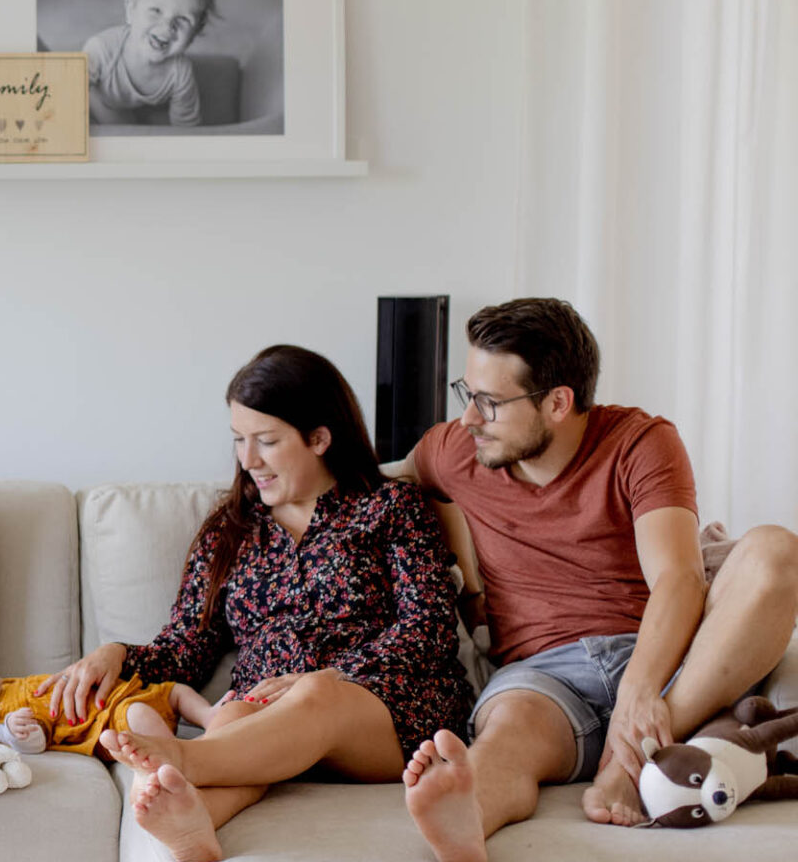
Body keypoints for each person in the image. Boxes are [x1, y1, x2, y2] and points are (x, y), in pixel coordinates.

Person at [389, 298, 798, 860]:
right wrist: (470, 591)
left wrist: (639, 692)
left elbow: (678, 580)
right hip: (543, 676)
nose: (468, 418)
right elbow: (377, 486)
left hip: (667, 665)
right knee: (506, 737)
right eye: (467, 392)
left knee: (779, 550)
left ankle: (630, 757)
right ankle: (467, 813)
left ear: (558, 402)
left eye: (489, 402)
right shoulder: (456, 451)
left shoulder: (640, 441)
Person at [44, 345, 473, 862]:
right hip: (264, 722)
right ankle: (194, 825)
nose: (248, 461)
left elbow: (428, 628)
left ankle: (184, 757)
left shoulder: (391, 510)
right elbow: (188, 648)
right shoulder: (230, 531)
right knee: (232, 717)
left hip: (382, 711)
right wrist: (116, 653)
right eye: (239, 441)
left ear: (319, 438)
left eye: (266, 441)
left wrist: (335, 674)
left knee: (315, 694)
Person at [0, 660, 213, 757]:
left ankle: (212, 718)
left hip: (129, 693)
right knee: (139, 716)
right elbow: (34, 742)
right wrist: (14, 733)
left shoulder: (6, 686)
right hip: (111, 721)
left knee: (176, 691)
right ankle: (181, 758)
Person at [82, 0, 214, 128]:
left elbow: (187, 127)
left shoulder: (180, 72)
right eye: (156, 11)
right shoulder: (101, 49)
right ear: (131, 11)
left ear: (194, 34)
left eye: (183, 19)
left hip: (133, 104)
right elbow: (68, 97)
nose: (167, 26)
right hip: (100, 99)